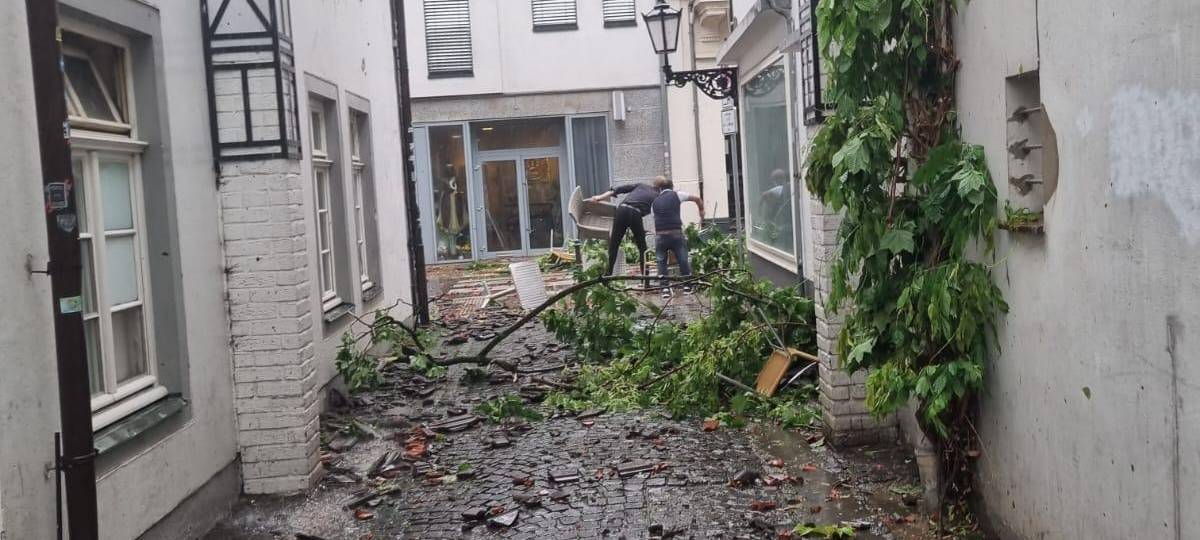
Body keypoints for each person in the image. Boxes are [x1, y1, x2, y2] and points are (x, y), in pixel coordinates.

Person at [586, 180, 660, 276]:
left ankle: (608, 275)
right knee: (642, 248)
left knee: (614, 244)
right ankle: (646, 278)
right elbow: (659, 215)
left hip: (622, 210)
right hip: (635, 213)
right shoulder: (659, 197)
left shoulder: (641, 185)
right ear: (661, 189)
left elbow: (619, 189)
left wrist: (599, 197)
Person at [650, 176, 704, 298]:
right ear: (672, 187)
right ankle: (686, 286)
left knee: (661, 262)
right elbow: (697, 199)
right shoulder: (677, 195)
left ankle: (664, 289)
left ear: (660, 189)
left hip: (660, 236)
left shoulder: (654, 202)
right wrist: (701, 210)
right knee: (682, 259)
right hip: (676, 234)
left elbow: (655, 219)